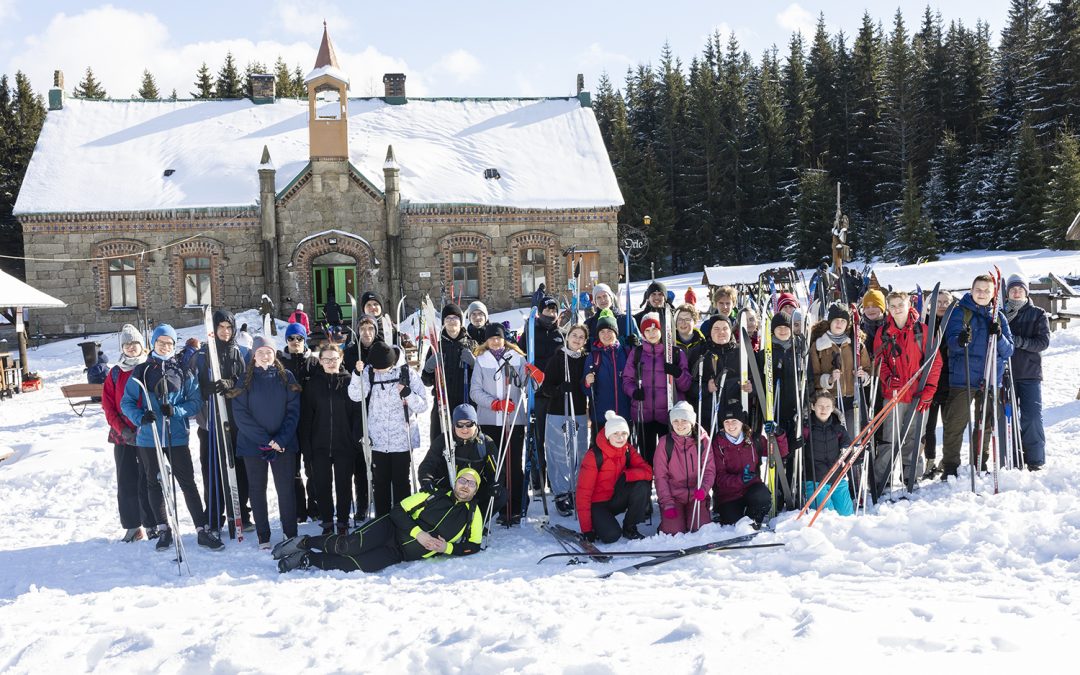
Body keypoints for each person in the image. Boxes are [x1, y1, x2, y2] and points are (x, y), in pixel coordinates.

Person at [121, 324, 221, 552]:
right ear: (153, 344)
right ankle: (163, 529)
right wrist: (140, 417)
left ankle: (201, 529)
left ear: (174, 346)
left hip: (176, 436)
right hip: (150, 437)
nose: (165, 346)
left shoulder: (183, 370)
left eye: (169, 343)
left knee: (187, 483)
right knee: (154, 482)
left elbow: (196, 401)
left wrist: (176, 411)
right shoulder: (142, 371)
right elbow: (126, 402)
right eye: (160, 342)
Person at [275, 467, 485, 573]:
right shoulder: (434, 495)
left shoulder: (472, 514)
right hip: (390, 529)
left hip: (399, 553)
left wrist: (447, 548)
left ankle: (307, 558)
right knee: (349, 546)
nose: (465, 486)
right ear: (455, 481)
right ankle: (304, 542)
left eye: (471, 483)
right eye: (462, 480)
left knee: (355, 565)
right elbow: (397, 511)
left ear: (476, 490)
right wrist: (418, 534)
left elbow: (474, 546)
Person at [228, 336, 301, 549]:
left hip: (283, 443)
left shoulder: (287, 377)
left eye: (269, 351)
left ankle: (290, 532)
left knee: (286, 489)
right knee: (257, 489)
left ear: (275, 353)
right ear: (253, 355)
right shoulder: (244, 380)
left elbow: (293, 411)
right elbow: (241, 415)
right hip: (253, 444)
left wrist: (279, 440)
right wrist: (266, 440)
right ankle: (264, 535)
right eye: (261, 352)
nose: (265, 356)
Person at [941, 274, 1014, 479]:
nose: (982, 294)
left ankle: (979, 462)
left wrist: (999, 336)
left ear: (993, 294)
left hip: (991, 377)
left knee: (985, 424)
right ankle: (950, 466)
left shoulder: (999, 316)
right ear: (971, 290)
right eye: (978, 289)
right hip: (963, 377)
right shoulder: (960, 312)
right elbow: (952, 341)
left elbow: (1009, 350)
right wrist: (961, 340)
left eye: (986, 291)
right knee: (955, 423)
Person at [870, 291, 942, 497]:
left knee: (914, 437)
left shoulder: (923, 330)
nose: (896, 309)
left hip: (918, 393)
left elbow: (935, 361)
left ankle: (911, 476)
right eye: (892, 306)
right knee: (889, 438)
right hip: (893, 393)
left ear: (909, 303)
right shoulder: (884, 332)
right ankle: (881, 479)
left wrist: (929, 389)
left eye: (900, 304)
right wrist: (887, 377)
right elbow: (878, 360)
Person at [349, 340, 429, 517]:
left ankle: (403, 520)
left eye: (381, 369)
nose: (377, 371)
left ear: (391, 363)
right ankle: (382, 521)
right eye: (375, 368)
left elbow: (423, 406)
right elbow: (355, 396)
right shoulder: (370, 372)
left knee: (401, 482)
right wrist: (357, 373)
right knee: (380, 482)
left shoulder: (407, 373)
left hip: (402, 439)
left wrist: (408, 394)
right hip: (377, 440)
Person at [190, 308, 252, 533]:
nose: (225, 332)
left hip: (237, 421)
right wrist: (204, 390)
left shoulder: (243, 353)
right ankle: (214, 515)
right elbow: (191, 387)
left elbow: (249, 384)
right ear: (213, 330)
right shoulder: (201, 356)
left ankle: (241, 513)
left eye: (229, 328)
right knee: (212, 470)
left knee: (239, 467)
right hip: (210, 423)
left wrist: (233, 385)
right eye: (220, 327)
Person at [470, 323, 529, 525]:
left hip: (513, 420)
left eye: (499, 337)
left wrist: (533, 376)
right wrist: (494, 404)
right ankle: (494, 504)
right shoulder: (481, 360)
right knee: (494, 465)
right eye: (492, 338)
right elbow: (474, 391)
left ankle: (514, 506)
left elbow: (528, 384)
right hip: (489, 420)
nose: (495, 341)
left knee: (513, 464)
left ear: (505, 339)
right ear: (486, 341)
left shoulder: (517, 359)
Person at [299, 343, 361, 534]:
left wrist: (354, 440)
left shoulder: (350, 381)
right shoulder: (312, 385)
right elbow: (306, 419)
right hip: (320, 446)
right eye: (326, 359)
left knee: (344, 485)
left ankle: (342, 521)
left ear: (341, 359)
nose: (331, 362)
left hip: (344, 445)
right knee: (322, 485)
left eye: (334, 359)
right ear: (320, 361)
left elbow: (357, 415)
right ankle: (327, 522)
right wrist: (306, 448)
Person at [102, 323, 155, 542]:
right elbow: (108, 405)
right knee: (126, 480)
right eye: (127, 344)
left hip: (147, 433)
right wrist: (122, 429)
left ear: (142, 346)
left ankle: (153, 523)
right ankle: (133, 526)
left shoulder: (150, 368)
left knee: (149, 480)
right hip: (122, 434)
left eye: (134, 343)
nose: (131, 348)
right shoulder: (115, 373)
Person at [621, 311, 691, 465]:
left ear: (662, 330)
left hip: (669, 416)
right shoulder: (637, 353)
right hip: (643, 415)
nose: (651, 333)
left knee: (670, 458)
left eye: (655, 329)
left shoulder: (675, 353)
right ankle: (646, 485)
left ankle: (669, 487)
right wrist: (633, 392)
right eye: (647, 330)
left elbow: (686, 385)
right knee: (647, 457)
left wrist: (677, 373)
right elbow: (627, 380)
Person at [575, 411, 653, 543]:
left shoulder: (627, 449)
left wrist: (628, 475)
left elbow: (648, 471)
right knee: (611, 536)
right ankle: (598, 524)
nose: (620, 438)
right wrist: (586, 529)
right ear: (608, 435)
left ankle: (630, 528)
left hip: (616, 498)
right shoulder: (594, 456)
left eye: (623, 434)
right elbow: (583, 493)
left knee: (642, 486)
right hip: (598, 504)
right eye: (615, 433)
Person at [538, 324, 589, 517]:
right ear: (567, 337)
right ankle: (560, 492)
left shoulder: (585, 359)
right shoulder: (557, 359)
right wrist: (560, 389)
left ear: (585, 341)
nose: (577, 339)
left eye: (581, 337)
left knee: (579, 452)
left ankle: (575, 489)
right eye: (574, 335)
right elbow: (546, 388)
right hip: (558, 411)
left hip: (579, 412)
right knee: (558, 453)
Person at [418, 404, 504, 516]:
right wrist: (426, 480)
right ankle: (446, 524)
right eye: (460, 424)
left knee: (501, 495)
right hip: (448, 489)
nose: (464, 429)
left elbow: (497, 471)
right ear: (454, 425)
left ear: (476, 424)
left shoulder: (485, 443)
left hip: (474, 491)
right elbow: (428, 464)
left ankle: (475, 523)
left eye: (469, 424)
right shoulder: (444, 441)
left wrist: (496, 484)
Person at [1003, 275, 1049, 471]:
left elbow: (1042, 342)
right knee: (1008, 419)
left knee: (1031, 417)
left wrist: (1017, 341)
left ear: (1026, 291)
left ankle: (1036, 459)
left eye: (1020, 288)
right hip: (1006, 374)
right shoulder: (1000, 314)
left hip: (1030, 373)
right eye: (1012, 289)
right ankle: (1014, 457)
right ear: (1007, 293)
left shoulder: (1037, 313)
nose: (1016, 291)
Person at [712, 405, 786, 527]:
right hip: (729, 495)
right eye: (727, 422)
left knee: (762, 496)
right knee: (732, 522)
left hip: (752, 489)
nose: (730, 425)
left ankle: (754, 521)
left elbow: (780, 453)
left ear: (741, 422)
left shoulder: (753, 439)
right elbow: (719, 478)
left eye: (734, 421)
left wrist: (778, 434)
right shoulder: (718, 444)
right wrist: (740, 479)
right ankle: (740, 520)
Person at [279, 322, 319, 521]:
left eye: (299, 338)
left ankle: (315, 506)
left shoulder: (314, 362)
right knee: (292, 470)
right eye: (291, 338)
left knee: (312, 467)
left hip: (310, 423)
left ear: (305, 340)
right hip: (288, 424)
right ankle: (298, 511)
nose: (295, 342)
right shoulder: (280, 362)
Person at [809, 303, 870, 431]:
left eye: (843, 321)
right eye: (836, 320)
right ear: (830, 321)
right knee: (833, 439)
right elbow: (813, 377)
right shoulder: (818, 345)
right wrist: (829, 379)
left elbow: (868, 370)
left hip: (853, 400)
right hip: (828, 402)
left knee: (852, 438)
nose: (839, 323)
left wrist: (863, 376)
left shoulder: (856, 345)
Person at [654, 402, 713, 534]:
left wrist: (703, 490)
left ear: (691, 422)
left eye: (684, 420)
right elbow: (660, 476)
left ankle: (695, 514)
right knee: (673, 532)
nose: (679, 425)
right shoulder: (665, 443)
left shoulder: (703, 442)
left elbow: (709, 470)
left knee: (700, 529)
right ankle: (668, 523)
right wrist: (667, 502)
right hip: (673, 497)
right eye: (675, 421)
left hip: (696, 495)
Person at [422, 304, 477, 445]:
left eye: (455, 318)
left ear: (461, 321)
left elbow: (482, 378)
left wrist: (474, 364)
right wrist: (428, 368)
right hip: (442, 404)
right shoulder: (436, 346)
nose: (452, 321)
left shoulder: (472, 344)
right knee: (439, 443)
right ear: (443, 322)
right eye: (448, 318)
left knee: (465, 444)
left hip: (466, 404)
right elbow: (426, 381)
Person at [687, 315, 747, 437]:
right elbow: (688, 387)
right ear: (710, 331)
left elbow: (757, 383)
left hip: (734, 418)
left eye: (725, 328)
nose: (721, 332)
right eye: (716, 329)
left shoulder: (742, 353)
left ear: (731, 331)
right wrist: (705, 388)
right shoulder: (699, 353)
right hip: (707, 417)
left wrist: (751, 389)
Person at [802, 391, 854, 516]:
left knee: (847, 515)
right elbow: (793, 449)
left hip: (836, 477)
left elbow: (849, 450)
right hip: (815, 479)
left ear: (832, 409)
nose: (824, 409)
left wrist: (858, 452)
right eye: (820, 406)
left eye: (827, 406)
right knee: (828, 515)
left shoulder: (838, 428)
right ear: (813, 407)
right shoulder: (806, 428)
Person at [921, 289, 954, 478]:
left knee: (949, 425)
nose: (942, 305)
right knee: (929, 426)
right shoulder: (926, 325)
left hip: (950, 382)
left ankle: (947, 459)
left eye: (946, 302)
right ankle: (930, 460)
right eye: (938, 302)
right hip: (930, 382)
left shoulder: (955, 324)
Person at [583, 310, 632, 437]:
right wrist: (587, 383)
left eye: (609, 331)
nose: (606, 335)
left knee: (624, 453)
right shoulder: (593, 356)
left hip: (624, 415)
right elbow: (586, 389)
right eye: (602, 331)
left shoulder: (626, 353)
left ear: (616, 333)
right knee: (601, 453)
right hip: (601, 416)